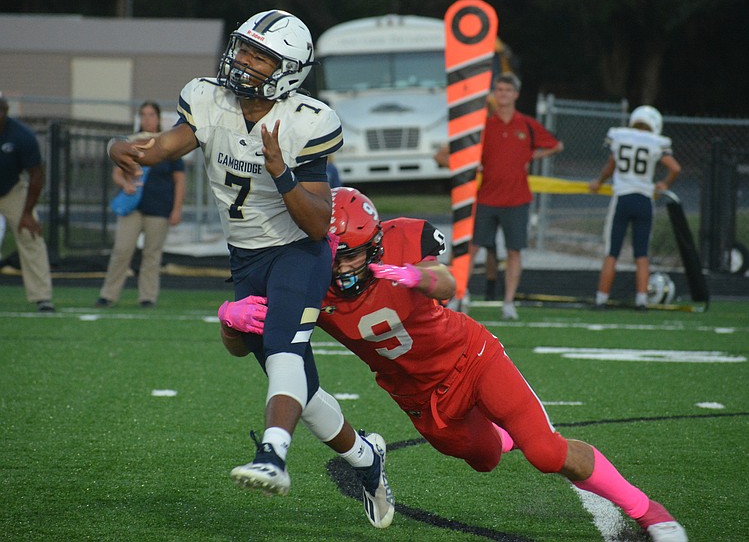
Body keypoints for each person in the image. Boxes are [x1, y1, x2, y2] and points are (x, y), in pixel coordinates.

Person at [222, 187, 688, 542]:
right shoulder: (305, 279)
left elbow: (446, 283)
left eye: (353, 256)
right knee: (485, 460)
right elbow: (246, 347)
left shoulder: (405, 239)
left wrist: (417, 276)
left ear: (377, 242)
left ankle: (650, 512)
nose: (342, 269)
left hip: (471, 358)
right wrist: (229, 319)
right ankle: (508, 433)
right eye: (334, 258)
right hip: (420, 398)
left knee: (546, 453)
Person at [107, 10, 393, 528]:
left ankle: (272, 455)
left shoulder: (307, 120)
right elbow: (161, 146)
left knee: (284, 348)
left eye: (259, 56)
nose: (243, 60)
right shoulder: (209, 99)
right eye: (243, 48)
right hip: (246, 258)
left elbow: (316, 224)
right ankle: (366, 458)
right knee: (302, 390)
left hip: (298, 252)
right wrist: (120, 148)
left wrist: (281, 172)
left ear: (287, 70)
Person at [467, 73, 563, 320]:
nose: (503, 94)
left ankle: (508, 302)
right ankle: (459, 295)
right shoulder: (484, 125)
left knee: (514, 252)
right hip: (486, 198)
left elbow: (556, 145)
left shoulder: (527, 125)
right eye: (499, 90)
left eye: (507, 90)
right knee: (471, 248)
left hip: (517, 200)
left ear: (516, 94)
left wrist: (532, 156)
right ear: (494, 94)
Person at [589, 105, 681, 310]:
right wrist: (664, 184)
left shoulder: (620, 136)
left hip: (622, 198)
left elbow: (610, 165)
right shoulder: (657, 142)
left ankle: (601, 299)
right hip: (644, 201)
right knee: (642, 254)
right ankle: (641, 301)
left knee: (612, 252)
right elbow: (675, 168)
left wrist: (599, 182)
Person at [96, 101, 186, 308]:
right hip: (133, 207)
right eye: (143, 114)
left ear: (158, 118)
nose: (147, 119)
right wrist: (125, 184)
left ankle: (147, 297)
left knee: (152, 254)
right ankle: (108, 295)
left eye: (151, 114)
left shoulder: (168, 143)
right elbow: (117, 173)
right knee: (122, 250)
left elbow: (179, 181)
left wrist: (176, 209)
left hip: (160, 207)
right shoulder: (131, 143)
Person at [0, 94, 55, 312]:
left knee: (31, 235)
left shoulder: (22, 136)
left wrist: (27, 213)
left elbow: (36, 175)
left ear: (6, 110)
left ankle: (42, 296)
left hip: (12, 190)